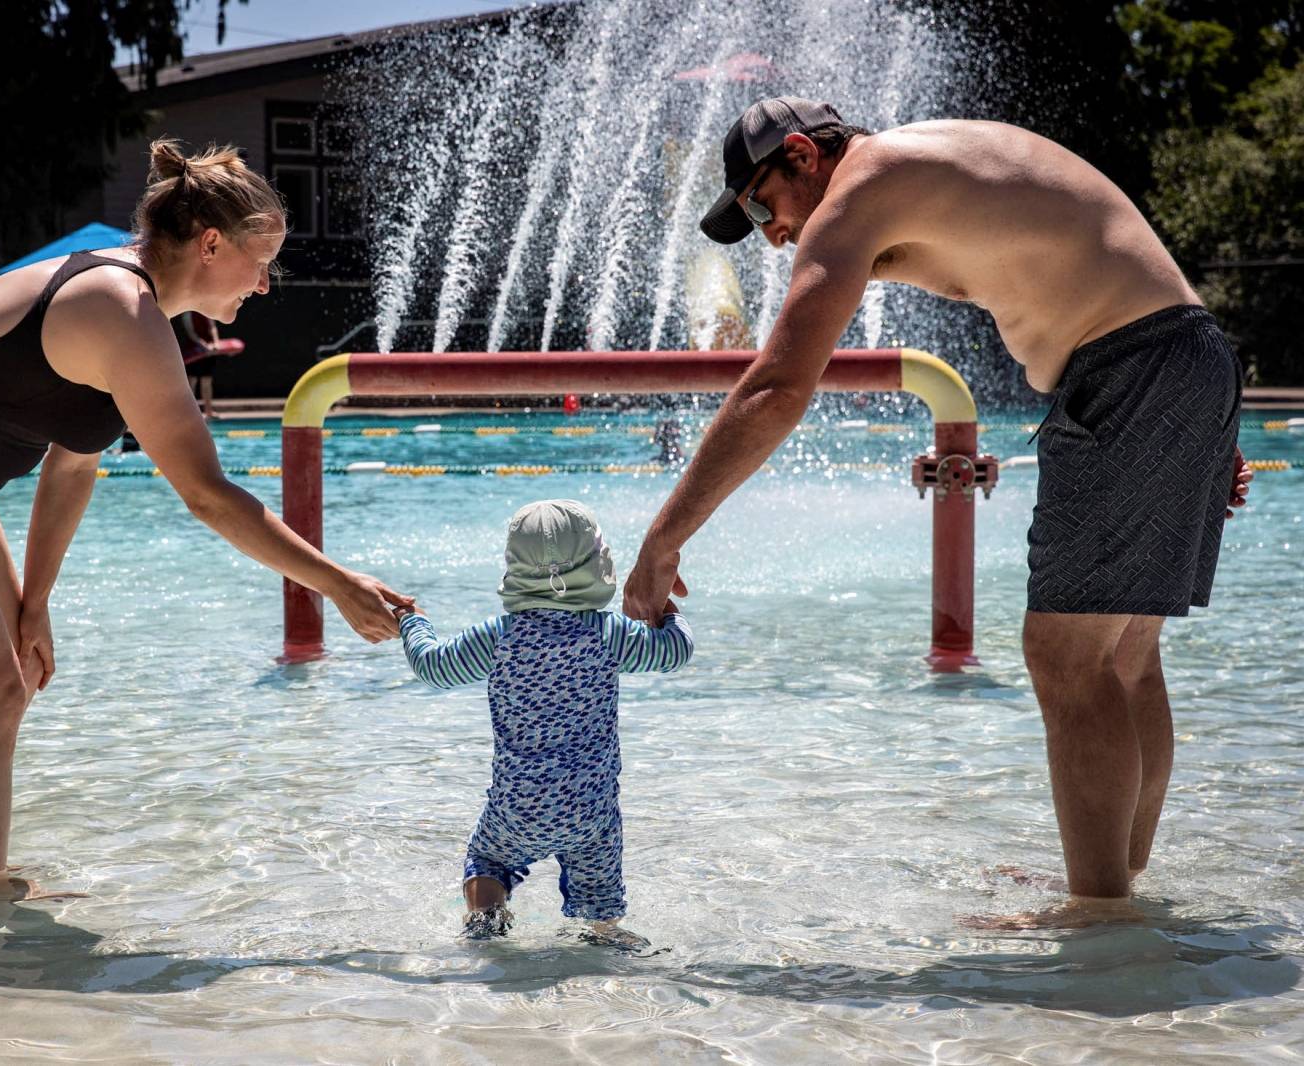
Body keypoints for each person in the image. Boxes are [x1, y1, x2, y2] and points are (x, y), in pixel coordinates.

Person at [621, 97, 1253, 927]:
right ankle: (1117, 884)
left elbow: (777, 389)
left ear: (804, 156)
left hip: (1132, 367)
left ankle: (1100, 913)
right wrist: (1193, 417)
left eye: (759, 206)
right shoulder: (925, 173)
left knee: (1068, 658)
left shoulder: (861, 188)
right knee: (1125, 656)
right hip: (1180, 351)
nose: (773, 237)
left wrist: (663, 539)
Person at [0, 138, 412, 900]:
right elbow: (205, 493)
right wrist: (335, 583)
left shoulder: (137, 315)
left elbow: (72, 465)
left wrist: (35, 603)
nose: (265, 286)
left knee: (8, 682)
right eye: (261, 263)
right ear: (208, 243)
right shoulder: (116, 303)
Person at [398, 500, 694, 945]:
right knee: (599, 902)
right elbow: (675, 652)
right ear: (598, 564)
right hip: (591, 809)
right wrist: (668, 611)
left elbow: (434, 667)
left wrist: (411, 623)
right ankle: (603, 936)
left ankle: (487, 919)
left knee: (489, 860)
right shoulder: (607, 634)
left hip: (518, 805)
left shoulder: (498, 638)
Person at [175, 310, 220, 418]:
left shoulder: (207, 310)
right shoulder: (187, 313)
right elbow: (191, 332)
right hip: (193, 351)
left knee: (206, 381)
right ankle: (190, 412)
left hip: (208, 352)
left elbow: (212, 327)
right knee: (192, 382)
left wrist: (216, 342)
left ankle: (208, 411)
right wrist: (203, 345)